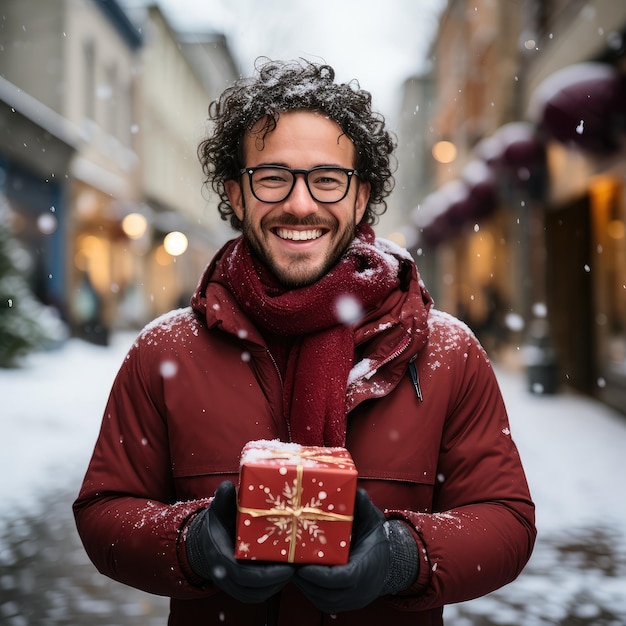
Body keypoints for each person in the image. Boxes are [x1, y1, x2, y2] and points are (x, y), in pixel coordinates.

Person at [73, 58, 536, 625]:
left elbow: (506, 520)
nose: (299, 203)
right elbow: (103, 512)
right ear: (236, 196)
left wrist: (399, 556)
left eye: (326, 179)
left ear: (361, 196)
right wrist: (193, 545)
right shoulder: (164, 350)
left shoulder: (445, 351)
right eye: (272, 177)